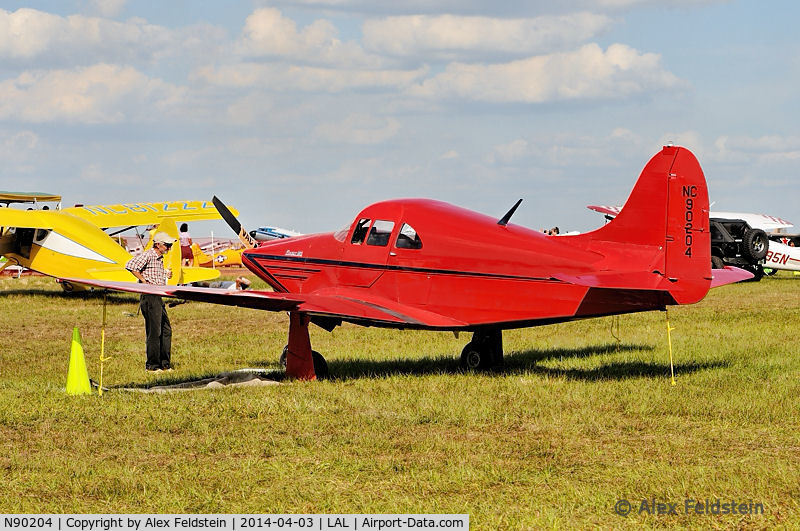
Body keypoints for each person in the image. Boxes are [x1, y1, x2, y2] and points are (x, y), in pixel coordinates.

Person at [126, 232, 176, 373]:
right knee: (155, 332)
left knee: (166, 330)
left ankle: (165, 364)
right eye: (167, 245)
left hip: (158, 296)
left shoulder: (159, 258)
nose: (169, 248)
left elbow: (153, 272)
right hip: (150, 296)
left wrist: (166, 273)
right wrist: (143, 281)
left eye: (170, 245)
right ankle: (152, 366)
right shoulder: (149, 255)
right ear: (158, 244)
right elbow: (130, 265)